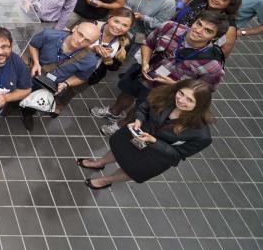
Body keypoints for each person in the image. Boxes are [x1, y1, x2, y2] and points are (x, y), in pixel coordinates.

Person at [92, 11, 227, 135]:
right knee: (127, 92)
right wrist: (145, 62)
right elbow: (148, 43)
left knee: (141, 108)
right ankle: (114, 111)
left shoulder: (212, 65)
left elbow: (204, 90)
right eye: (199, 24)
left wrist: (175, 85)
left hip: (165, 90)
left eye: (207, 31)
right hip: (143, 72)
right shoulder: (170, 28)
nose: (198, 30)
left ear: (214, 38)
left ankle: (120, 124)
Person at [79, 79, 213, 189]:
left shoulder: (201, 134)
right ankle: (100, 162)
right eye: (181, 93)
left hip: (155, 156)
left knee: (131, 170)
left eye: (190, 100)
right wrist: (139, 119)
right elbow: (143, 108)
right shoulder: (165, 96)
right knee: (118, 149)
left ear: (200, 105)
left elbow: (177, 155)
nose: (181, 100)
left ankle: (105, 181)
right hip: (138, 133)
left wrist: (154, 141)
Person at [21, 22, 100, 127]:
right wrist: (36, 62)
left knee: (34, 103)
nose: (80, 41)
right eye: (80, 34)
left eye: (87, 40)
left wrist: (66, 83)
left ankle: (28, 113)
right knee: (17, 90)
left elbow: (81, 77)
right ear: (75, 28)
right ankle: (11, 106)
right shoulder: (49, 35)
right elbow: (33, 44)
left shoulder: (90, 61)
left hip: (49, 85)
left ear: (92, 44)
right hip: (32, 72)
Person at [174, 0, 240, 58]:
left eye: (223, 0)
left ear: (229, 5)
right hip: (174, 39)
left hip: (192, 56)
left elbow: (223, 53)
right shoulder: (198, 2)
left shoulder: (229, 27)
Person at [83, 8, 135, 86]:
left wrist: (107, 59)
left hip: (89, 77)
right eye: (116, 21)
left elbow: (114, 68)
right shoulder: (93, 25)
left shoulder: (126, 42)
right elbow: (70, 44)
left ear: (129, 28)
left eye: (125, 25)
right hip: (70, 67)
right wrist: (92, 48)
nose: (118, 27)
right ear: (109, 18)